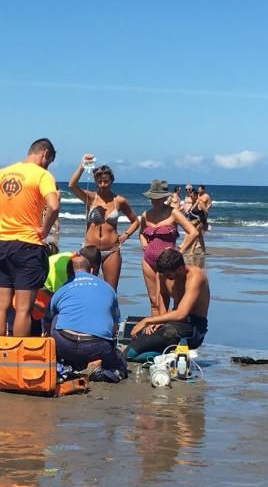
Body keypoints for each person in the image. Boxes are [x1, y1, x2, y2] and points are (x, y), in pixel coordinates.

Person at [0, 138, 60, 339]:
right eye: (48, 161)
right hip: (28, 244)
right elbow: (54, 206)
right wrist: (44, 229)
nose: (47, 165)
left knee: (1, 305)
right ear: (45, 154)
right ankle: (17, 353)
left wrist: (0, 221)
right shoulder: (42, 175)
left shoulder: (4, 172)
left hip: (3, 244)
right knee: (23, 308)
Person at [46, 253, 127, 382]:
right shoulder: (108, 288)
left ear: (68, 273)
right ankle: (106, 370)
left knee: (56, 317)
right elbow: (115, 324)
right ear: (91, 270)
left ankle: (62, 364)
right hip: (97, 346)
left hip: (65, 343)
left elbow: (47, 319)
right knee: (119, 362)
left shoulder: (61, 290)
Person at [68, 155, 139, 290]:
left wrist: (126, 235)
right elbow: (72, 185)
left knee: (110, 290)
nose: (102, 185)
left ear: (112, 181)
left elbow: (135, 221)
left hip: (111, 250)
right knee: (86, 288)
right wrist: (83, 165)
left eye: (106, 181)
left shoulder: (119, 201)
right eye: (99, 181)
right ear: (95, 181)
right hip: (89, 250)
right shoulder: (90, 198)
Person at [126, 248, 209, 359]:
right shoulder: (163, 274)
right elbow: (163, 295)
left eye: (168, 275)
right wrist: (160, 320)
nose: (164, 277)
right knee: (137, 342)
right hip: (173, 322)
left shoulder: (195, 276)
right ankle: (165, 356)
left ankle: (165, 354)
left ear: (179, 269)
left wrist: (147, 320)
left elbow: (181, 314)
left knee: (132, 351)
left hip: (193, 327)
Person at [136, 179, 199, 316]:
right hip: (148, 260)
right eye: (153, 197)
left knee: (172, 298)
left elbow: (193, 232)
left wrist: (180, 250)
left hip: (168, 263)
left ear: (165, 197)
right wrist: (144, 244)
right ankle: (153, 329)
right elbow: (141, 233)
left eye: (158, 198)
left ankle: (171, 329)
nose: (155, 201)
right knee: (154, 300)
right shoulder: (146, 215)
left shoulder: (174, 213)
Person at [185, 184, 211, 254]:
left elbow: (206, 211)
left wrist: (204, 221)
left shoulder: (200, 202)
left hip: (200, 222)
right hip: (195, 221)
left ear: (196, 196)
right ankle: (204, 251)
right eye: (190, 196)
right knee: (200, 237)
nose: (190, 197)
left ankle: (191, 252)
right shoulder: (194, 203)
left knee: (195, 235)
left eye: (192, 196)